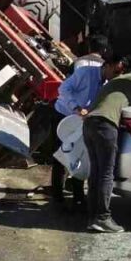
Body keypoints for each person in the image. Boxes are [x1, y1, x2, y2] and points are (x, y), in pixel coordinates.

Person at [82, 54, 131, 233]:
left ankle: (92, 218)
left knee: (95, 172)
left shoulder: (116, 82)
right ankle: (103, 218)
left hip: (89, 123)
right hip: (105, 124)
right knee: (106, 173)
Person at [48, 35, 109, 207]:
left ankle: (58, 196)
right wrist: (77, 108)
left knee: (62, 153)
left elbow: (64, 88)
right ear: (105, 51)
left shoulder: (78, 63)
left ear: (89, 47)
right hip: (75, 115)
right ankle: (78, 196)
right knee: (80, 154)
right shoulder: (102, 70)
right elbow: (65, 89)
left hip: (66, 114)